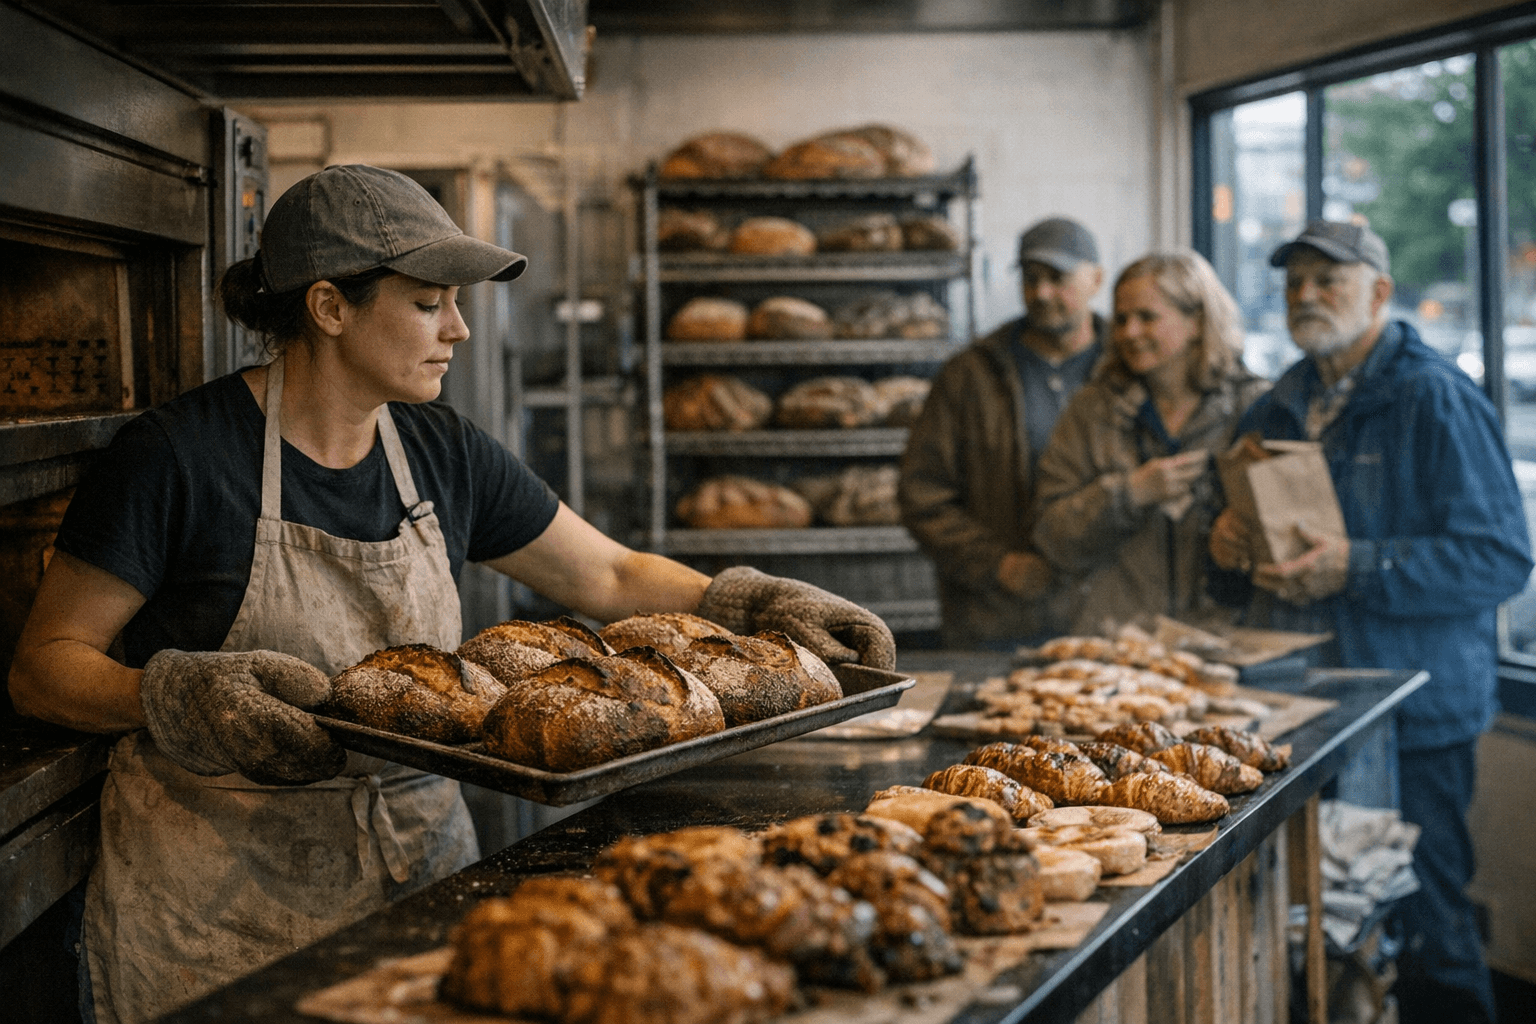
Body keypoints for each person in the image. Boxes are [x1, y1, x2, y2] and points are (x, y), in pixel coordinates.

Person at [5, 164, 895, 1024]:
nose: (459, 330)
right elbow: (43, 668)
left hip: (421, 881)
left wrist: (745, 606)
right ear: (329, 307)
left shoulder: (441, 449)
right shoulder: (178, 457)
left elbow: (609, 575)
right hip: (224, 909)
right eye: (429, 303)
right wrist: (166, 693)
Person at [1206, 219, 1533, 1024]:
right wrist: (1225, 543)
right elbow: (1238, 553)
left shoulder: (1437, 395)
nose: (1306, 297)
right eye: (1293, 285)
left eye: (1329, 281)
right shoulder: (1280, 402)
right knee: (1322, 932)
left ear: (1380, 293)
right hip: (1304, 711)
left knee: (1427, 928)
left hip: (1411, 719)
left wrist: (1357, 565)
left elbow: (1499, 558)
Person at [1032, 250, 1268, 636]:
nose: (1129, 333)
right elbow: (1051, 539)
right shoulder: (1092, 410)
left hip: (1225, 641)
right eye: (1121, 319)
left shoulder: (1254, 407)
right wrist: (1128, 495)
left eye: (1147, 317)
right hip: (1116, 642)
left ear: (1196, 321)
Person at [899, 217, 1107, 648]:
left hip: (1106, 619)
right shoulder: (971, 375)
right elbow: (922, 494)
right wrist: (998, 564)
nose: (1041, 293)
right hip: (995, 622)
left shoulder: (1127, 370)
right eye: (1030, 278)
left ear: (1096, 279)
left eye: (1057, 277)